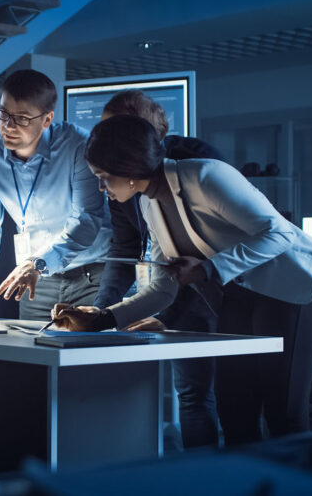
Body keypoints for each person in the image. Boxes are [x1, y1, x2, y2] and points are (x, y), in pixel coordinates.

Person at [55, 114, 312, 445]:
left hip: (291, 288)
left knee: (282, 410)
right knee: (235, 410)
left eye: (104, 177)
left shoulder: (205, 176)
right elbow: (163, 287)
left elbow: (280, 233)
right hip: (240, 296)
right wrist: (103, 318)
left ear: (129, 170)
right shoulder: (149, 203)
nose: (102, 187)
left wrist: (206, 269)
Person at [91, 90, 224, 449]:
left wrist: (166, 314)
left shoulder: (196, 162)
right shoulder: (117, 177)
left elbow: (208, 252)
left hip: (208, 292)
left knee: (200, 396)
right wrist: (101, 311)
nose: (108, 142)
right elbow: (125, 248)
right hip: (160, 288)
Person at [0, 69, 111, 324]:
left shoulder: (78, 145)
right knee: (34, 357)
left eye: (22, 118)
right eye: (3, 114)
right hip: (36, 280)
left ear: (47, 119)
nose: (8, 126)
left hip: (92, 276)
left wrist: (39, 263)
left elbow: (86, 219)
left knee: (90, 359)